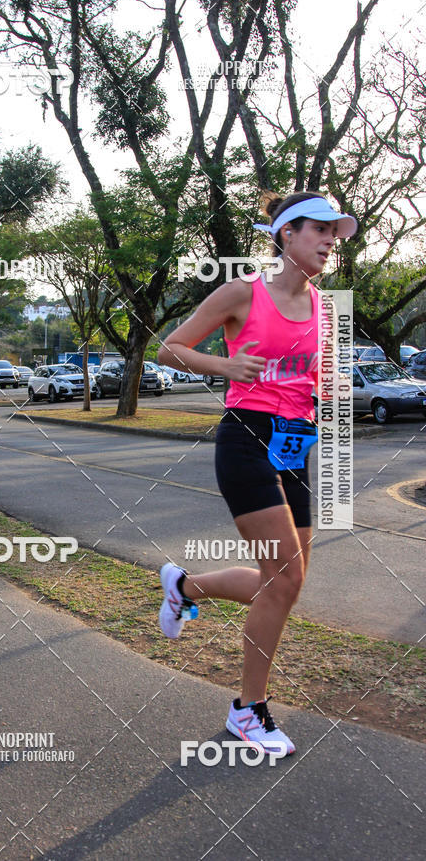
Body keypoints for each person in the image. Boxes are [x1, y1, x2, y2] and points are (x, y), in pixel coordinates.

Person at [157, 192, 357, 756]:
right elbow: (169, 348)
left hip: (296, 445)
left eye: (334, 234)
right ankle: (248, 709)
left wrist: (328, 388)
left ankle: (184, 586)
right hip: (247, 436)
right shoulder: (242, 291)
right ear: (286, 234)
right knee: (286, 578)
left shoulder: (323, 305)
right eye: (319, 230)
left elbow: (311, 371)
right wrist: (225, 365)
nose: (329, 242)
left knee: (284, 585)